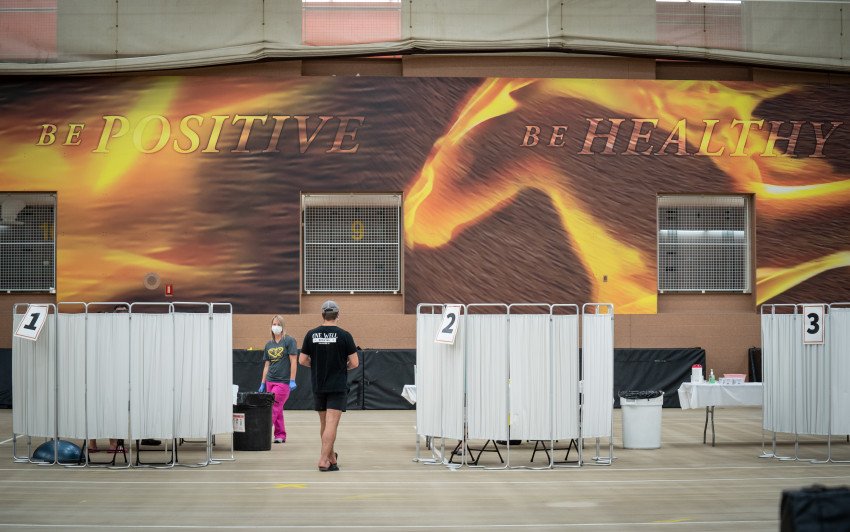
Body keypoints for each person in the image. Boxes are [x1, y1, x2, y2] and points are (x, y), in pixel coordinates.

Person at [299, 300, 359, 472]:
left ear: (322, 315)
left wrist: (316, 364)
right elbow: (355, 362)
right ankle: (323, 459)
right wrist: (342, 366)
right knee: (332, 424)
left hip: (319, 385)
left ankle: (332, 457)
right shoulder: (344, 335)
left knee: (324, 424)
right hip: (337, 385)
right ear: (337, 315)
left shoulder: (311, 334)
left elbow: (302, 360)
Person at [259, 315, 298, 444]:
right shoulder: (268, 344)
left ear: (282, 326)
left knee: (273, 407)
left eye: (278, 324)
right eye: (274, 324)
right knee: (278, 409)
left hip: (283, 382)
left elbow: (293, 361)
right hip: (270, 380)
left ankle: (261, 433)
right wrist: (262, 383)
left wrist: (292, 380)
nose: (275, 326)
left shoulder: (289, 341)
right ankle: (280, 435)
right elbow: (266, 365)